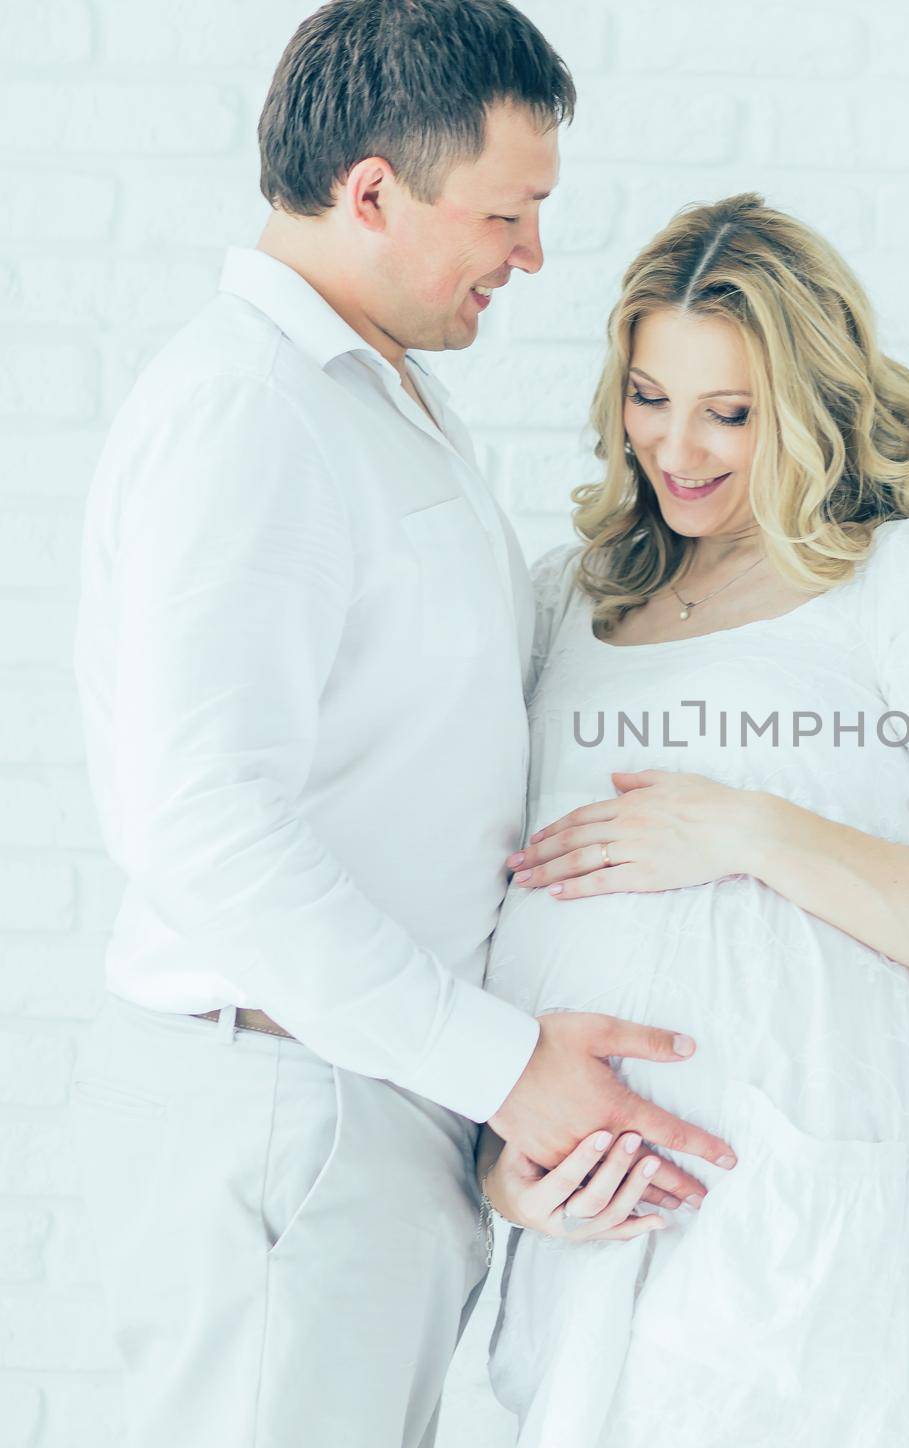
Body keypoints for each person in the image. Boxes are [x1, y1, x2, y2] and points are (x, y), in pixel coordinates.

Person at [68, 4, 736, 1445]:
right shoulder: (254, 414)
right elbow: (202, 823)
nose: (532, 257)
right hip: (295, 1111)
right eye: (508, 212)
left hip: (365, 1105)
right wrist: (505, 1067)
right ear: (372, 190)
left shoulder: (370, 399)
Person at [476, 194, 909, 1447]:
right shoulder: (564, 600)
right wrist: (506, 1158)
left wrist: (749, 830)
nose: (676, 446)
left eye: (731, 413)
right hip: (585, 1229)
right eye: (648, 396)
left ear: (809, 400)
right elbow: (488, 902)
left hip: (788, 1238)